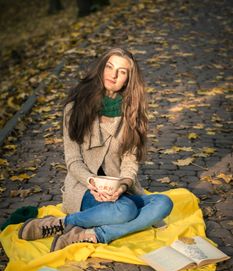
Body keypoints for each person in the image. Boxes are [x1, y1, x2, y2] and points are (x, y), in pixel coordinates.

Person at [19, 47, 173, 251]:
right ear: (101, 68)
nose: (114, 74)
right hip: (85, 189)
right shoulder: (75, 109)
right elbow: (73, 160)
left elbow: (130, 161)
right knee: (125, 211)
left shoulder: (132, 113)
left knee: (163, 203)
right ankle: (60, 223)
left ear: (128, 79)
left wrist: (123, 186)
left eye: (122, 71)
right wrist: (92, 183)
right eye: (109, 67)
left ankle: (91, 234)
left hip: (118, 191)